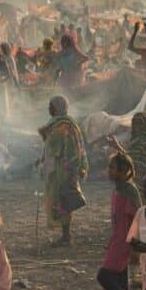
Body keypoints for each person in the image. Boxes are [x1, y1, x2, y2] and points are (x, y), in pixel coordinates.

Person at [98, 153, 141, 290]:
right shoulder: (118, 189)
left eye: (113, 168)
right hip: (118, 239)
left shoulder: (129, 191)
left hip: (125, 241)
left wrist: (134, 247)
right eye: (110, 168)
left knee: (105, 276)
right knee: (121, 281)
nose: (110, 172)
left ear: (126, 171)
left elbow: (137, 220)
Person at [39, 95, 88, 246]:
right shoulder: (69, 124)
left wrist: (44, 162)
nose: (49, 109)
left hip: (62, 170)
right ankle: (66, 235)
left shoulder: (62, 127)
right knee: (64, 200)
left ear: (56, 108)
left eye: (51, 106)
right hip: (68, 169)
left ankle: (66, 236)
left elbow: (54, 148)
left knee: (62, 200)